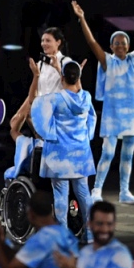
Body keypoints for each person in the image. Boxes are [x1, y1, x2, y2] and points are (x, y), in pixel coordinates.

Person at [75, 0, 134, 204]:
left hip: (133, 114)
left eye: (123, 42)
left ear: (128, 45)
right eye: (116, 43)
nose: (120, 45)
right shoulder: (107, 61)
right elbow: (92, 43)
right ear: (111, 46)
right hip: (113, 114)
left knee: (128, 155)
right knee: (107, 153)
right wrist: (82, 19)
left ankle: (124, 191)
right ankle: (97, 189)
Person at [30, 59, 95, 232]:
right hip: (81, 154)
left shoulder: (54, 99)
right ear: (79, 77)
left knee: (60, 195)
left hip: (59, 154)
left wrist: (36, 76)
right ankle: (89, 234)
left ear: (62, 78)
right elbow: (92, 119)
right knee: (84, 194)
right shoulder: (86, 97)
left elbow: (34, 105)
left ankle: (62, 235)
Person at [0, 191, 79, 268]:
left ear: (30, 213)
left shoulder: (40, 240)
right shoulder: (65, 233)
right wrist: (2, 242)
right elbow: (22, 257)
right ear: (51, 210)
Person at [55, 201, 134, 268]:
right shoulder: (85, 252)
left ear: (115, 225)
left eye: (109, 224)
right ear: (89, 224)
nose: (104, 229)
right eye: (99, 224)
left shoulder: (120, 254)